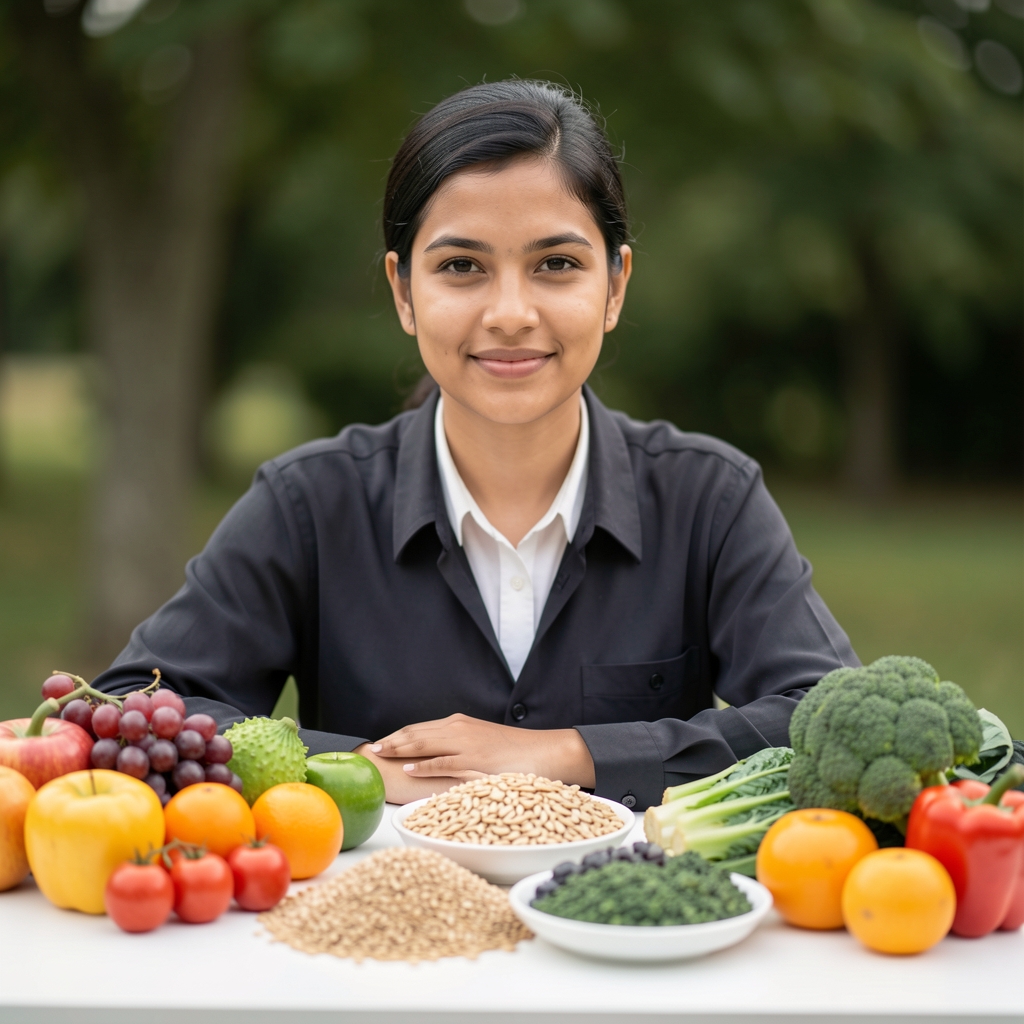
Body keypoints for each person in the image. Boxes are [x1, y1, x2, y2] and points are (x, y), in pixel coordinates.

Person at [94, 80, 858, 809]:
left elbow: (834, 721)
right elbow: (129, 707)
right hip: (380, 935)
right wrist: (358, 769)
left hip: (623, 928)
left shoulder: (711, 501)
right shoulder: (307, 504)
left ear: (616, 286)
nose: (510, 312)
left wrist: (569, 754)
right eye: (462, 267)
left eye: (556, 265)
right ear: (403, 293)